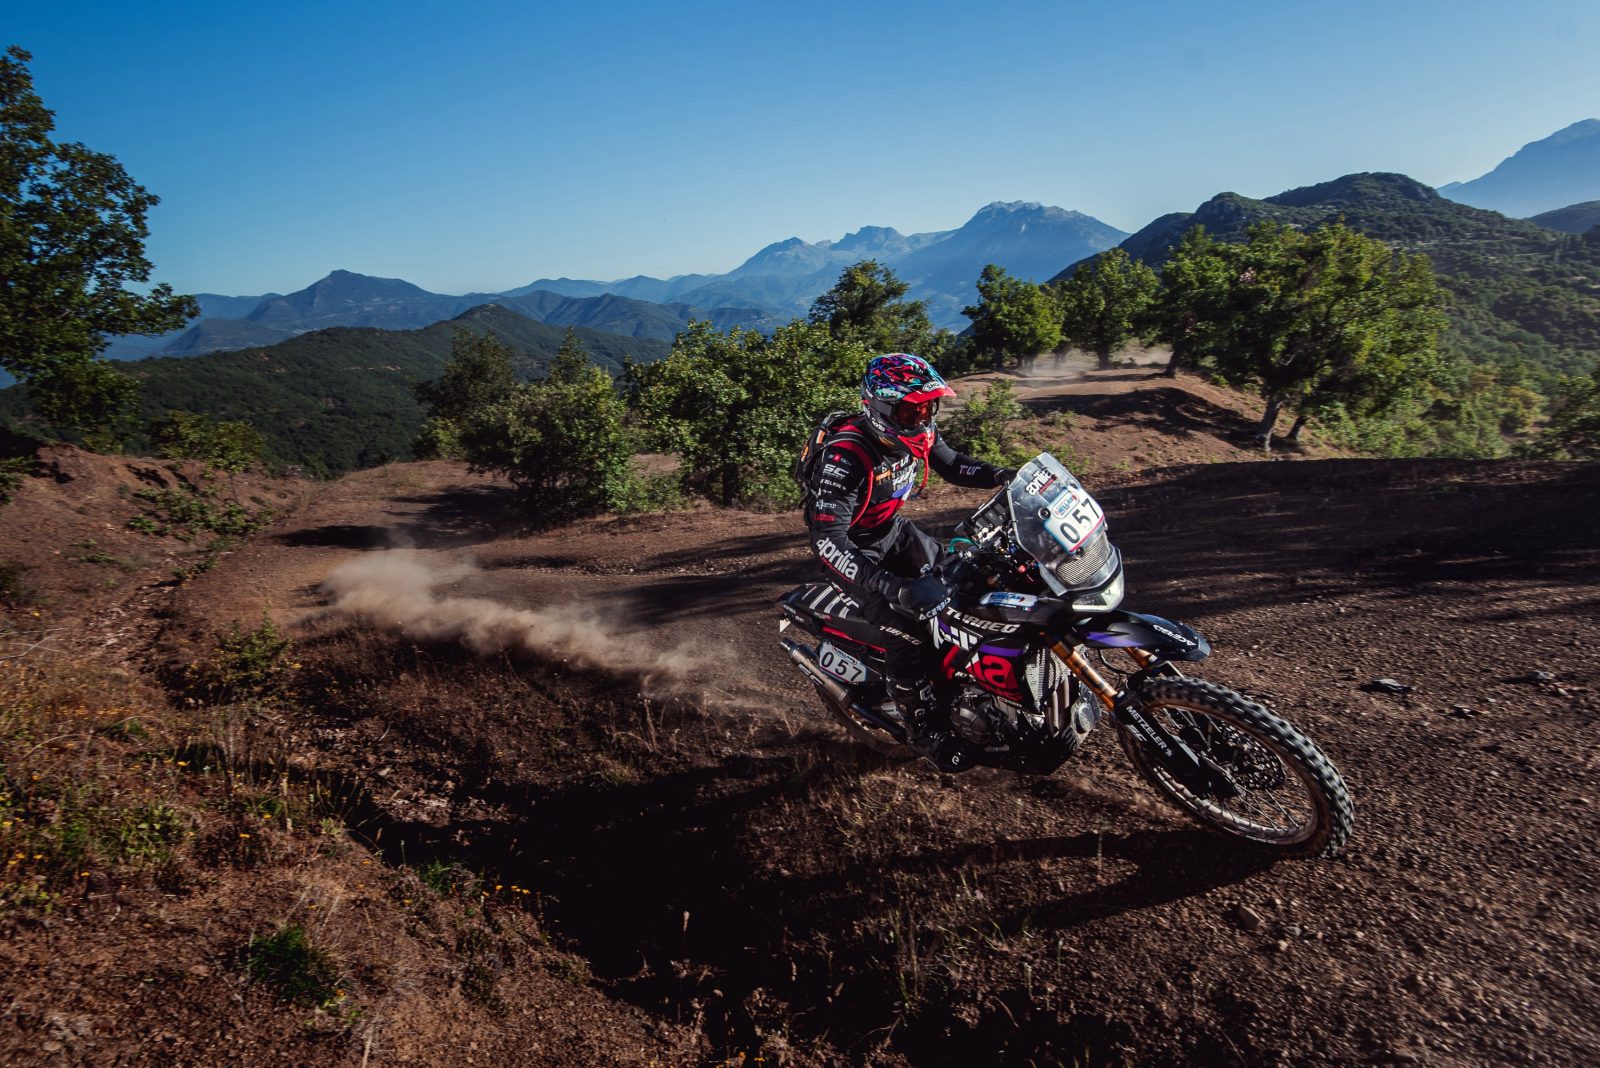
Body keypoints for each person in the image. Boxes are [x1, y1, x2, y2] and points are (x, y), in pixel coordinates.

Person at [806, 353, 1013, 771]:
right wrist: (890, 585)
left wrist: (1003, 476)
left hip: (893, 532)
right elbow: (827, 540)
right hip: (853, 552)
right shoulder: (846, 456)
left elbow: (954, 464)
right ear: (881, 409)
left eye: (927, 408)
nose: (921, 419)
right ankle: (923, 730)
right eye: (909, 411)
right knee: (906, 629)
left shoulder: (917, 432)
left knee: (965, 583)